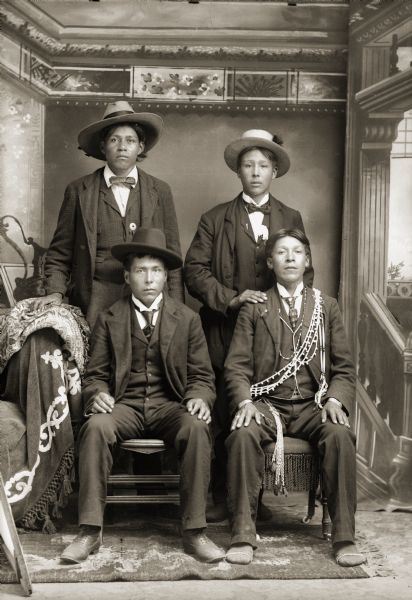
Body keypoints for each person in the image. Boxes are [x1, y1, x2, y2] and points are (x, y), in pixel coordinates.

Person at [60, 228, 225, 564]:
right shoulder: (109, 318)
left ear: (166, 276)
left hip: (171, 404)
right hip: (126, 405)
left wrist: (198, 398)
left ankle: (195, 532)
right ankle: (89, 531)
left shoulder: (188, 319)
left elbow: (203, 377)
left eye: (156, 270)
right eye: (140, 270)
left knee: (196, 427)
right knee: (94, 428)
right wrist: (98, 394)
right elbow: (95, 375)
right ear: (127, 276)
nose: (148, 278)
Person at [184, 129, 313, 520]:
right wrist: (231, 298)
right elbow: (194, 270)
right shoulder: (215, 218)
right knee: (228, 412)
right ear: (238, 172)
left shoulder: (291, 217)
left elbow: (307, 270)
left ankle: (259, 500)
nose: (255, 172)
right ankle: (226, 500)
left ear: (274, 171)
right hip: (224, 332)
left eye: (263, 165)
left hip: (275, 340)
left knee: (264, 410)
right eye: (248, 165)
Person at [223, 228, 364, 567]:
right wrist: (244, 402)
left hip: (314, 405)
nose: (289, 258)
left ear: (307, 260)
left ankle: (344, 538)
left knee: (341, 434)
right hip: (267, 405)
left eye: (296, 252)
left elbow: (344, 368)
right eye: (281, 252)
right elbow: (236, 367)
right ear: (270, 262)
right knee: (241, 435)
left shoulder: (325, 306)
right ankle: (243, 534)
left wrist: (335, 401)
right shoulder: (254, 308)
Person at [32, 101, 184, 327]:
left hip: (148, 295)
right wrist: (55, 292)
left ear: (140, 147)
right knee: (96, 359)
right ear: (103, 147)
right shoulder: (78, 190)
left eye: (130, 140)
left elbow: (172, 255)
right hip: (95, 295)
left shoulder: (160, 191)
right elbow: (60, 252)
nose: (122, 147)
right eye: (115, 140)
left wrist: (175, 307)